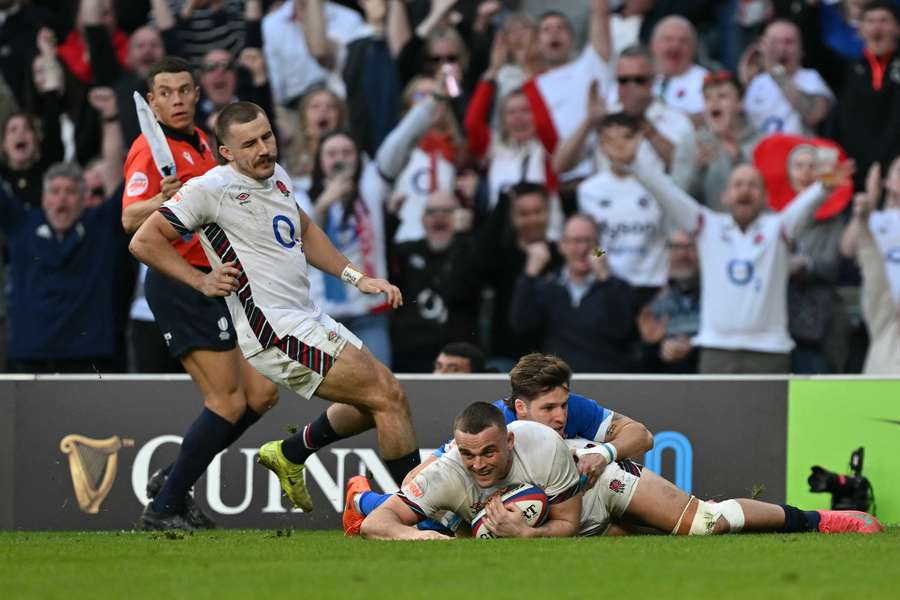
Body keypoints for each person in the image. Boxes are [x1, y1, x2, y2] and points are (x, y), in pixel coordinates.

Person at [129, 100, 422, 522]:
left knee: (372, 400)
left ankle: (290, 452)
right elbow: (143, 240)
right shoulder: (211, 188)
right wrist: (201, 281)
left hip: (306, 316)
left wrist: (358, 278)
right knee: (388, 397)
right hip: (274, 331)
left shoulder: (276, 176)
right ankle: (417, 514)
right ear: (226, 152)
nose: (264, 149)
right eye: (249, 143)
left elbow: (304, 230)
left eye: (267, 137)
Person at [122, 57, 280, 530]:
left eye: (185, 90)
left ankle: (172, 480)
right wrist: (161, 199)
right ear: (152, 102)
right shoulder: (149, 149)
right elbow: (131, 219)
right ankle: (165, 507)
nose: (177, 100)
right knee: (229, 400)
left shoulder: (200, 146)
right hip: (181, 281)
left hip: (217, 280)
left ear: (196, 94)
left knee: (263, 392)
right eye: (166, 93)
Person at [359, 402, 882, 540]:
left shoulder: (541, 441)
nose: (479, 465)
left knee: (705, 523)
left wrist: (523, 534)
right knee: (442, 522)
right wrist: (419, 542)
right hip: (547, 517)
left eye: (489, 454)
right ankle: (358, 497)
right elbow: (385, 524)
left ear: (509, 438)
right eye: (469, 456)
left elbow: (563, 524)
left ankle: (818, 520)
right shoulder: (451, 468)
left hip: (596, 492)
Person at [605, 120, 855, 374]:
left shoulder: (778, 228)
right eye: (737, 185)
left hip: (769, 352)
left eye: (752, 185)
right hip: (716, 350)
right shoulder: (707, 225)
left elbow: (806, 206)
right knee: (714, 416)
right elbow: (668, 194)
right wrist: (635, 163)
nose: (744, 191)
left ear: (765, 197)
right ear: (725, 195)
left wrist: (825, 184)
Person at [344, 352, 654, 535]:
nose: (560, 416)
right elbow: (428, 472)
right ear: (521, 408)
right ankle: (363, 502)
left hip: (553, 492)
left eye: (563, 405)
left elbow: (643, 436)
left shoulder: (575, 408)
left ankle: (363, 501)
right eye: (548, 408)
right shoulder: (495, 423)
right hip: (495, 490)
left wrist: (603, 452)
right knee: (447, 519)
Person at [1, 164, 123, 373]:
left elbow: (131, 184)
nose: (62, 199)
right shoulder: (21, 226)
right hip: (31, 358)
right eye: (55, 191)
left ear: (84, 199)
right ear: (44, 199)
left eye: (70, 191)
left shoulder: (101, 225)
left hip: (88, 357)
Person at [553, 44, 696, 192]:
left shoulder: (675, 119)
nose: (631, 87)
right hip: (607, 207)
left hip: (656, 207)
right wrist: (589, 122)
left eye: (639, 80)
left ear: (653, 80)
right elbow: (560, 166)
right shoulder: (604, 115)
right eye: (623, 80)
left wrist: (643, 123)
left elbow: (683, 168)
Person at [509, 214, 636, 373]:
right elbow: (522, 326)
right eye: (575, 241)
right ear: (562, 246)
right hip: (557, 381)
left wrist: (605, 279)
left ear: (599, 247)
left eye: (588, 242)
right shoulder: (547, 286)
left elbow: (620, 330)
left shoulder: (617, 287)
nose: (582, 249)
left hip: (605, 378)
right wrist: (529, 275)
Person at [576, 113, 669, 301]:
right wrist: (601, 259)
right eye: (610, 139)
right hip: (610, 283)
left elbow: (668, 233)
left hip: (653, 285)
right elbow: (594, 243)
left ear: (639, 140)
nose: (618, 146)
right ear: (601, 145)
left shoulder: (659, 185)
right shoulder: (589, 191)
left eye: (625, 138)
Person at [388, 191, 479, 373]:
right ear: (422, 220)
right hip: (411, 354)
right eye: (432, 212)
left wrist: (462, 237)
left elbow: (462, 289)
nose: (439, 216)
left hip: (456, 356)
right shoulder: (408, 252)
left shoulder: (468, 250)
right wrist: (391, 218)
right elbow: (380, 258)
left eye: (447, 211)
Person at [476, 182, 563, 369]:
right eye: (524, 214)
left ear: (548, 213)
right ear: (513, 218)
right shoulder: (500, 254)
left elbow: (598, 249)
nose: (532, 219)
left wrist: (598, 254)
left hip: (554, 359)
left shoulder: (562, 252)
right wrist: (501, 205)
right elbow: (478, 258)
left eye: (538, 211)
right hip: (508, 359)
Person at [828, 0, 900, 190]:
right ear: (860, 31)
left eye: (884, 20)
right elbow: (813, 50)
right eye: (870, 21)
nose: (877, 27)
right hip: (853, 179)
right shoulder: (845, 70)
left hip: (896, 178)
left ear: (897, 29)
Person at [841, 158, 900, 374]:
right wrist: (868, 205)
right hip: (883, 313)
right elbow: (847, 249)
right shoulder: (874, 219)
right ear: (886, 181)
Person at [740, 19, 834, 136]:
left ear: (801, 49)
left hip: (799, 150)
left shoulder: (811, 78)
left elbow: (813, 114)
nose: (782, 48)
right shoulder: (756, 83)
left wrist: (775, 71)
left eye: (789, 42)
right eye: (775, 42)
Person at [692, 71, 760, 211]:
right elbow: (677, 199)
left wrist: (738, 159)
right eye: (707, 98)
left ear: (740, 103)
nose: (714, 102)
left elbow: (763, 196)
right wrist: (697, 170)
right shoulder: (692, 142)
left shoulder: (761, 143)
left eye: (722, 96)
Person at [636, 230, 701, 374]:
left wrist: (693, 348)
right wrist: (652, 345)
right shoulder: (649, 299)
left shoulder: (716, 295)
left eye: (690, 247)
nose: (682, 254)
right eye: (676, 247)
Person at [649, 16, 709, 118]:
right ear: (653, 45)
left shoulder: (705, 81)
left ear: (694, 48)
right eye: (668, 39)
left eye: (683, 41)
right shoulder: (635, 77)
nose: (675, 45)